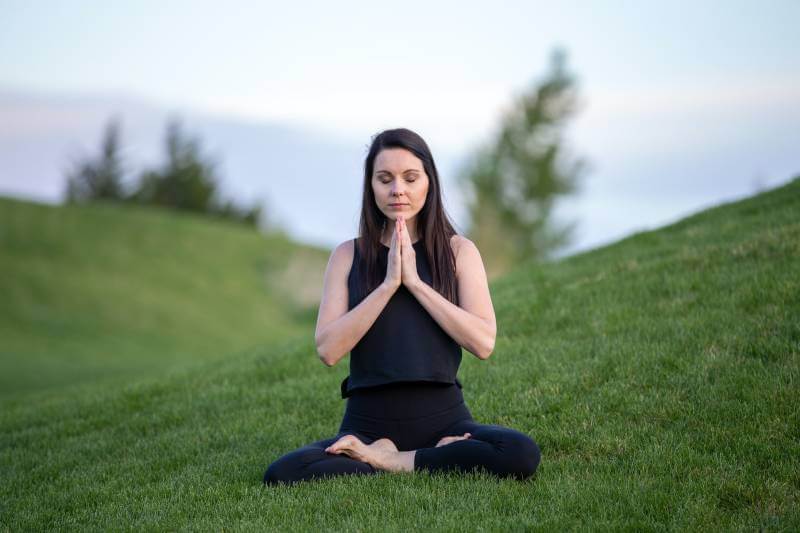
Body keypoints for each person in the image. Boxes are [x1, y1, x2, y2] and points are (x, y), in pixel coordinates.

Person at [263, 128, 540, 485]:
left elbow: (483, 343)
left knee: (520, 452)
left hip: (446, 420)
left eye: (410, 178)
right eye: (385, 179)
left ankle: (391, 460)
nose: (398, 190)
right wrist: (389, 284)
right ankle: (413, 456)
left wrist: (416, 284)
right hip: (366, 425)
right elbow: (328, 349)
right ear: (371, 186)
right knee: (283, 472)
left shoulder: (459, 252)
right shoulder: (347, 255)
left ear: (429, 182)